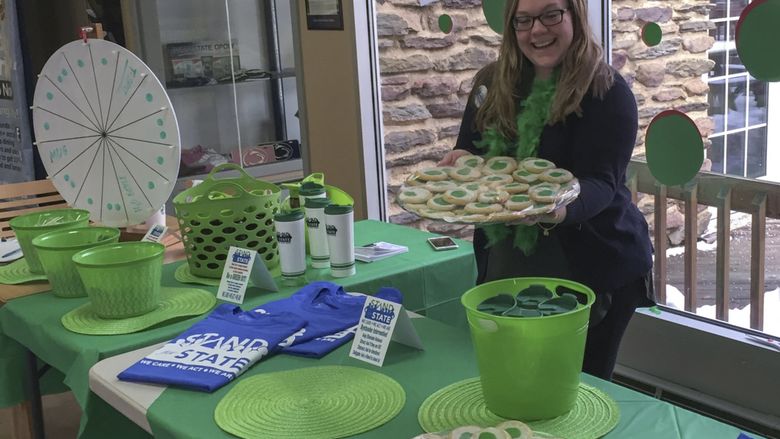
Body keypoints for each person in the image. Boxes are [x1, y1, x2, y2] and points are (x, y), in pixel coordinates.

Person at [439, 0, 654, 380]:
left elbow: (603, 182)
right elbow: (472, 150)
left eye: (551, 14)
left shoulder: (606, 89)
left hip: (593, 262)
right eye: (524, 20)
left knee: (576, 388)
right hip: (508, 261)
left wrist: (557, 208)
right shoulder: (490, 83)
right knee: (513, 377)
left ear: (574, 16)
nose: (537, 30)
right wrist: (460, 161)